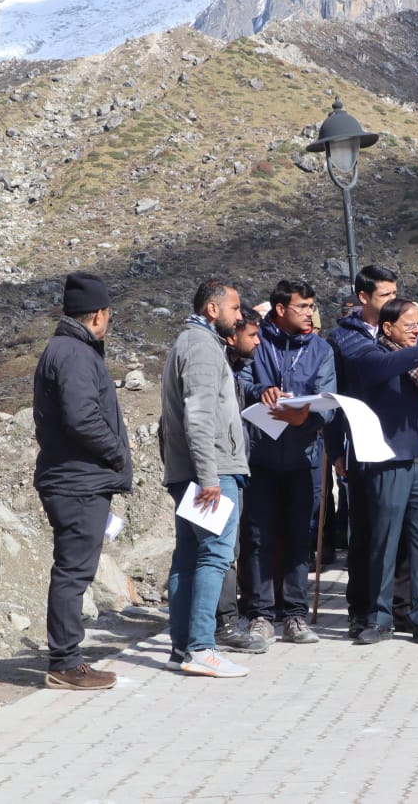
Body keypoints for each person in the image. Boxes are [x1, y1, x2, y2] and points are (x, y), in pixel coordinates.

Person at [34, 272, 132, 690]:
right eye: (109, 315)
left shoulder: (66, 349)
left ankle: (68, 658)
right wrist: (115, 452)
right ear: (98, 315)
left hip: (74, 478)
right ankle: (65, 662)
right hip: (78, 482)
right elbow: (81, 418)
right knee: (73, 571)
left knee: (73, 568)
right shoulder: (73, 354)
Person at [160, 279, 250, 678]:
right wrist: (209, 476)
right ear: (213, 310)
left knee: (189, 556)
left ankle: (182, 647)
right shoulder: (200, 347)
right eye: (235, 308)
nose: (240, 316)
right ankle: (200, 647)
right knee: (214, 555)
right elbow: (197, 416)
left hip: (195, 472)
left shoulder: (195, 343)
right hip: (211, 473)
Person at [354, 299, 418, 645]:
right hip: (390, 461)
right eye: (410, 325)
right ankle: (379, 618)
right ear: (387, 327)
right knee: (384, 542)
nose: (417, 331)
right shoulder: (374, 357)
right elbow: (390, 365)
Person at [243, 280, 336, 648]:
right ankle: (260, 615)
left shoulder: (321, 350)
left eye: (312, 306)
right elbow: (243, 380)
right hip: (260, 457)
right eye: (303, 306)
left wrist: (308, 419)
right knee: (257, 537)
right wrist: (258, 391)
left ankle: (294, 615)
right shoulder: (257, 342)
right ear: (280, 309)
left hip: (303, 459)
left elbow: (329, 400)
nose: (309, 313)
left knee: (299, 537)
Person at [215, 305, 268, 655]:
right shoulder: (212, 368)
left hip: (226, 470)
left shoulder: (235, 371)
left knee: (224, 550)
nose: (258, 341)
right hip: (214, 475)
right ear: (233, 336)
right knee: (217, 552)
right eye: (252, 334)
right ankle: (223, 624)